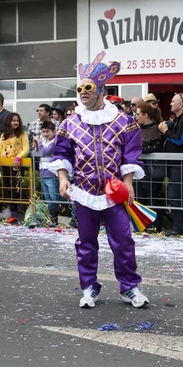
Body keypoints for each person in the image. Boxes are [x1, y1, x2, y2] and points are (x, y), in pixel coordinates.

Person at [50, 50, 148, 309]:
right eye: (80, 87)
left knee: (123, 240)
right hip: (83, 192)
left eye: (88, 87)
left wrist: (128, 184)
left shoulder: (123, 121)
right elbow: (62, 154)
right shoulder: (70, 123)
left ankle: (129, 287)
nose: (83, 92)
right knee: (85, 241)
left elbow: (130, 155)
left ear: (101, 90)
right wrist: (63, 179)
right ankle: (89, 287)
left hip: (113, 193)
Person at [158, 93, 183, 236]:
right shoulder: (180, 118)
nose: (170, 104)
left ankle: (180, 227)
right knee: (175, 194)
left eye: (173, 101)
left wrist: (166, 132)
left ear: (180, 104)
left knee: (175, 194)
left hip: (181, 163)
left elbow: (181, 140)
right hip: (175, 162)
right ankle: (181, 226)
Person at [0, 112, 30, 206]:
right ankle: (9, 209)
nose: (16, 122)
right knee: (6, 187)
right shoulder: (3, 135)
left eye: (17, 121)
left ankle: (16, 209)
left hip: (17, 165)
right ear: (8, 122)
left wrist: (18, 158)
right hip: (5, 165)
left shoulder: (22, 134)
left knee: (16, 187)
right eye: (13, 120)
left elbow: (26, 149)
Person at [135, 102, 164, 231]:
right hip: (139, 167)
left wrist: (142, 149)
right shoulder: (136, 129)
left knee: (151, 195)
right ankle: (142, 223)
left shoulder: (157, 129)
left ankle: (155, 224)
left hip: (153, 168)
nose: (136, 117)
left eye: (138, 114)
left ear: (145, 115)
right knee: (139, 195)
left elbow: (157, 147)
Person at [38, 121, 63, 225]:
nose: (45, 134)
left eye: (47, 131)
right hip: (43, 172)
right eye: (43, 132)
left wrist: (38, 142)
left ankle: (62, 212)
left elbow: (44, 152)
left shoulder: (54, 142)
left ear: (54, 131)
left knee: (54, 196)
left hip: (51, 173)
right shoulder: (44, 142)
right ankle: (53, 219)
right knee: (48, 198)